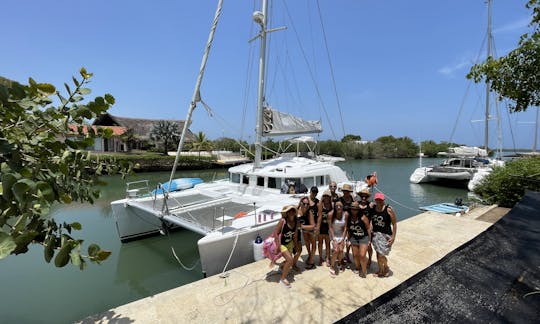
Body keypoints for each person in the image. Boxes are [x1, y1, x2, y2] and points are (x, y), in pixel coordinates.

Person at [371, 193, 397, 278]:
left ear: (383, 200)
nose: (379, 201)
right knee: (378, 254)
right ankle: (382, 269)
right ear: (375, 200)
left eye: (380, 199)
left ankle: (384, 268)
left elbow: (394, 224)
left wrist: (393, 237)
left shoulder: (388, 210)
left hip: (385, 235)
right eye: (377, 199)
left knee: (381, 255)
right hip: (375, 235)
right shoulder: (373, 208)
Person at [274, 205, 300, 288]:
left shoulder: (296, 222)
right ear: (287, 213)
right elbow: (276, 233)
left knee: (289, 260)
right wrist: (278, 246)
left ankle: (282, 266)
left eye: (293, 211)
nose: (291, 212)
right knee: (290, 260)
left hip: (290, 243)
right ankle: (283, 278)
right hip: (282, 244)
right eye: (289, 211)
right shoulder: (283, 221)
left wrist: (295, 246)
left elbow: (295, 235)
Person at [348, 201, 371, 277]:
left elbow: (368, 228)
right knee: (355, 255)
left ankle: (364, 270)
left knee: (362, 255)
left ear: (358, 210)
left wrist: (369, 240)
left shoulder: (363, 217)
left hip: (363, 238)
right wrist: (348, 239)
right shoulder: (349, 217)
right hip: (354, 238)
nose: (354, 211)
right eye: (352, 209)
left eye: (356, 209)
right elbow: (348, 229)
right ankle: (358, 267)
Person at [295, 196, 316, 269]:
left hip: (311, 230)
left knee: (313, 244)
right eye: (304, 203)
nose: (306, 205)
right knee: (307, 243)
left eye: (307, 204)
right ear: (301, 203)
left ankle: (312, 261)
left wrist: (302, 227)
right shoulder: (297, 210)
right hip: (304, 230)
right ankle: (310, 255)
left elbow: (313, 226)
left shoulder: (309, 212)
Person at [328, 201, 348, 276]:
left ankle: (339, 263)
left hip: (342, 235)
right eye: (337, 206)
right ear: (334, 207)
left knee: (341, 250)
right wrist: (334, 239)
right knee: (336, 250)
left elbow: (346, 227)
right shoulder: (330, 214)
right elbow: (330, 227)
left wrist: (343, 238)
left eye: (340, 206)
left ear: (342, 207)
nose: (338, 207)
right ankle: (332, 266)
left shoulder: (345, 214)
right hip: (333, 235)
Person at [357, 188, 375, 269]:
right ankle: (360, 260)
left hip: (368, 229)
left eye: (365, 197)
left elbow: (376, 212)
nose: (364, 198)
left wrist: (388, 207)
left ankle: (370, 259)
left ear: (367, 197)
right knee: (358, 245)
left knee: (369, 246)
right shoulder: (357, 204)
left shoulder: (370, 205)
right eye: (362, 196)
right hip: (358, 229)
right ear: (360, 196)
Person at [316, 190, 332, 267]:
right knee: (320, 243)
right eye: (325, 196)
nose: (326, 197)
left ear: (329, 197)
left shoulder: (331, 205)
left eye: (327, 196)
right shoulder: (320, 204)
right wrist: (318, 228)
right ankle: (320, 258)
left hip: (328, 227)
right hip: (321, 226)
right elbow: (319, 216)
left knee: (328, 243)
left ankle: (328, 258)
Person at [340, 183, 355, 264]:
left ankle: (347, 255)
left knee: (348, 240)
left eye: (347, 191)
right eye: (345, 191)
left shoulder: (352, 198)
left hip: (351, 222)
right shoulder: (340, 199)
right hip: (342, 222)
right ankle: (341, 256)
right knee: (342, 239)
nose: (346, 192)